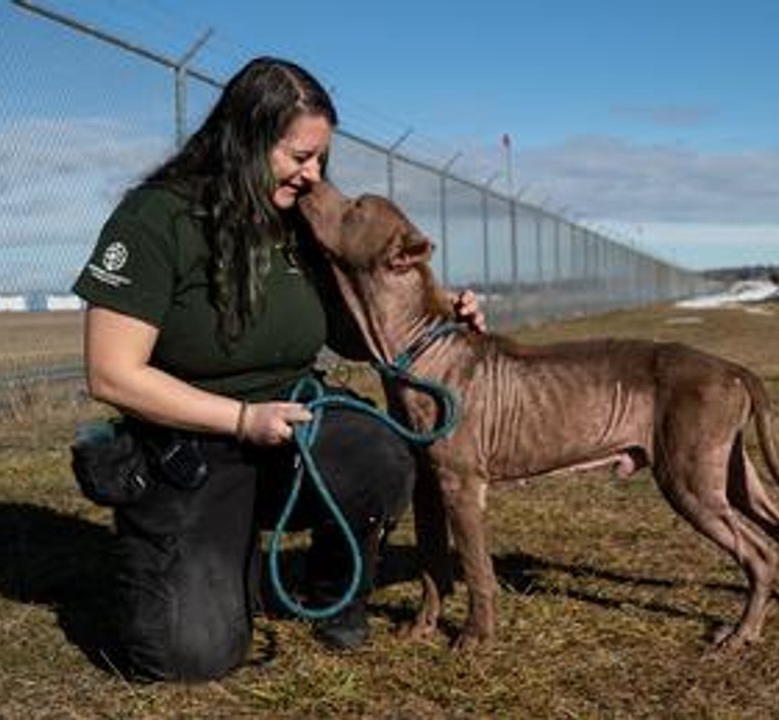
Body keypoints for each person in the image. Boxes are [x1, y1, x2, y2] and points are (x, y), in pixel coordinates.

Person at [72, 56, 484, 682]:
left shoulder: (297, 222)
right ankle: (196, 552)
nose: (314, 175)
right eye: (299, 156)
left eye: (320, 158)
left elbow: (351, 335)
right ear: (246, 139)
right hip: (195, 439)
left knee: (382, 454)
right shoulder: (156, 219)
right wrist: (241, 418)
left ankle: (332, 589)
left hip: (290, 419)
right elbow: (111, 374)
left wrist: (440, 311)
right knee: (188, 656)